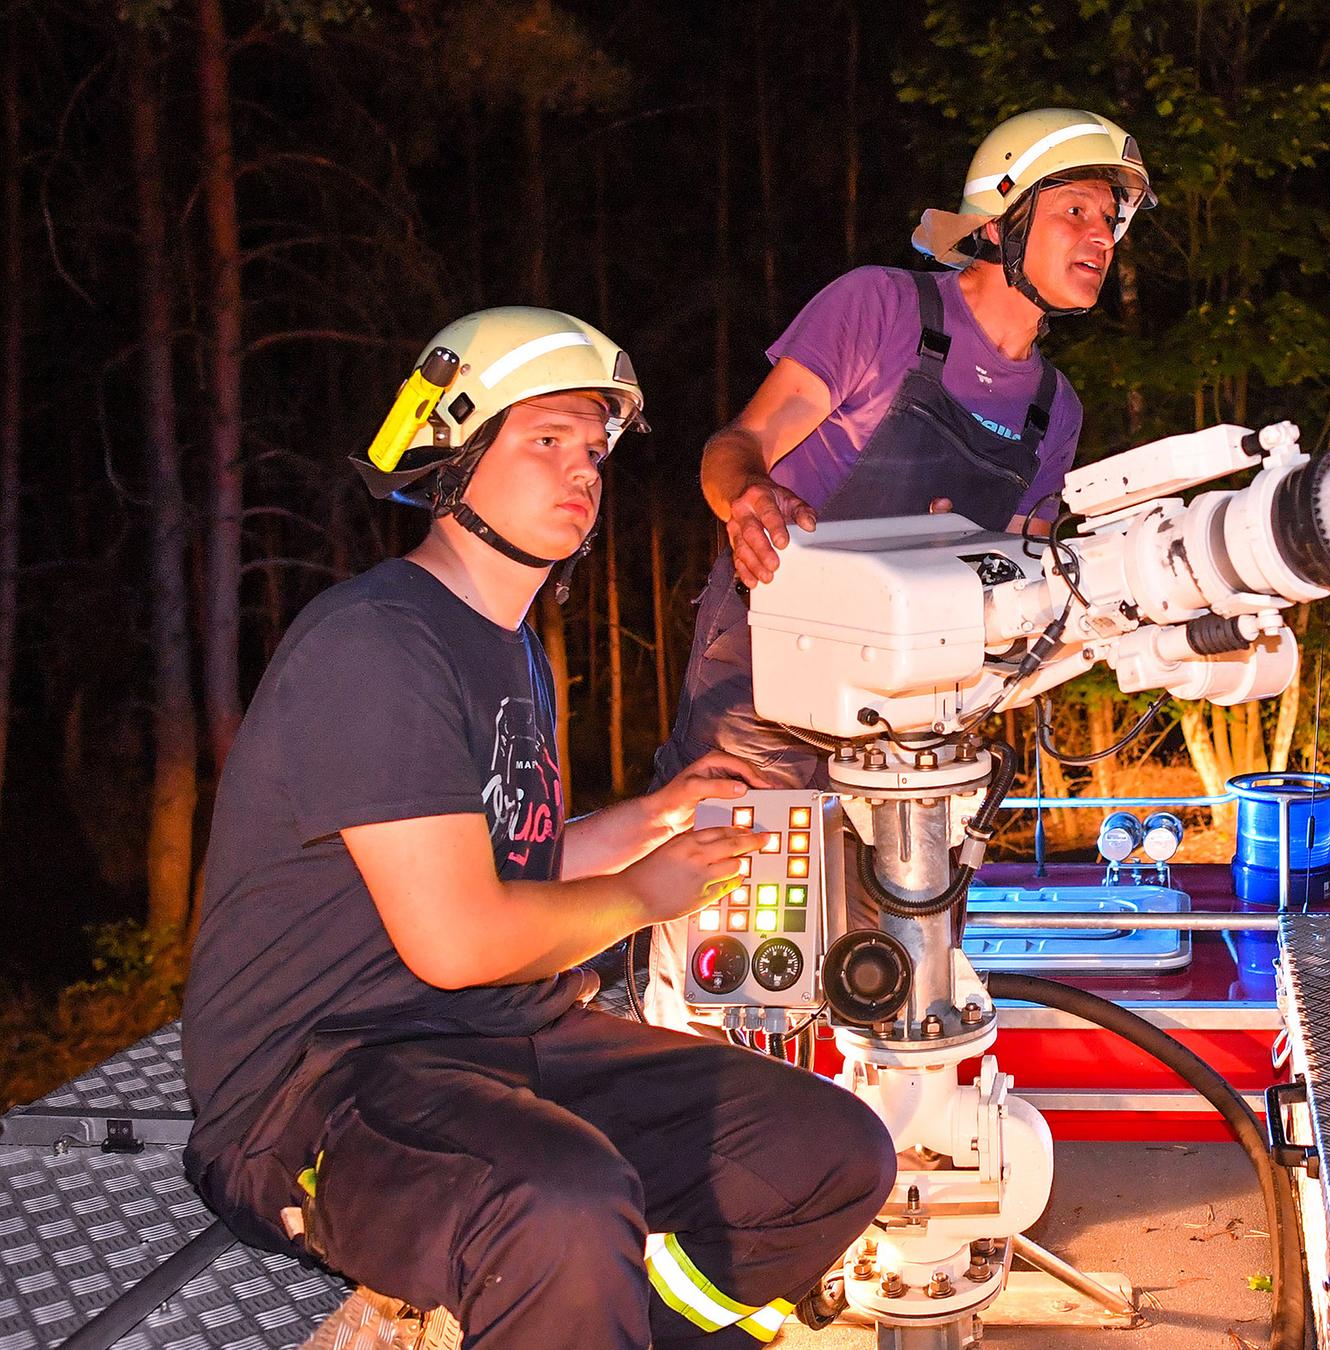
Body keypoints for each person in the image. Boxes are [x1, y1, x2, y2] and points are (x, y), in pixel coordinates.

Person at [180, 307, 897, 1348]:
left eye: (596, 451)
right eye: (545, 440)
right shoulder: (377, 644)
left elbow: (516, 863)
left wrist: (652, 821)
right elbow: (461, 935)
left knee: (830, 1151)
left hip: (494, 1036)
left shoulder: (511, 648)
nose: (584, 472)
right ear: (457, 452)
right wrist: (651, 895)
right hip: (318, 1087)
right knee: (560, 1206)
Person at [645, 108, 1155, 1028]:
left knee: (903, 964)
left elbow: (1020, 572)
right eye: (1075, 209)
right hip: (764, 681)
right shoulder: (883, 309)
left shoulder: (1054, 410)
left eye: (1110, 221)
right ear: (1000, 220)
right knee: (732, 951)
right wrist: (747, 497)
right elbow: (739, 443)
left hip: (916, 706)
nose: (1099, 237)